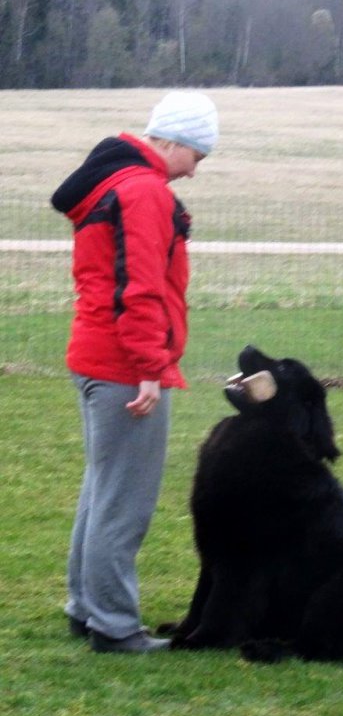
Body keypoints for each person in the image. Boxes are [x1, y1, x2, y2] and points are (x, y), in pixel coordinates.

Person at [51, 92, 219, 653]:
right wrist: (151, 367)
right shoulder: (144, 192)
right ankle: (115, 626)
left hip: (95, 354)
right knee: (124, 504)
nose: (195, 171)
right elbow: (140, 288)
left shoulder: (114, 184)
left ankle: (85, 608)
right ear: (170, 140)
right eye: (196, 155)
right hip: (126, 364)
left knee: (102, 490)